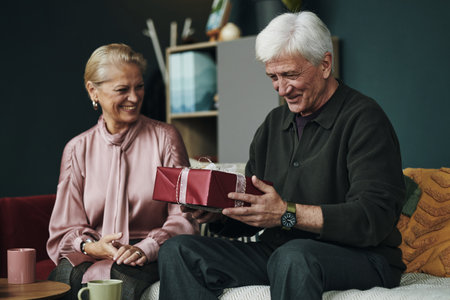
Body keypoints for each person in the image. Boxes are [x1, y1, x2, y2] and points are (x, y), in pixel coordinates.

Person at [157, 11, 406, 300]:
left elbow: (372, 219)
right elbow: (260, 211)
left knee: (293, 256)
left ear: (325, 64)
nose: (281, 88)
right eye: (273, 76)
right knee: (180, 250)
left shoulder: (365, 119)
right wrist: (215, 215)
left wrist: (286, 214)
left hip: (361, 257)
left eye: (290, 74)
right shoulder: (273, 124)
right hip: (280, 252)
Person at [47, 43, 198, 300]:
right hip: (93, 252)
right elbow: (66, 228)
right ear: (93, 91)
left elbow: (183, 217)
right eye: (122, 89)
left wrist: (146, 248)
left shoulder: (165, 138)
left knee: (120, 281)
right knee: (62, 279)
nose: (134, 97)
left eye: (139, 86)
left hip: (149, 253)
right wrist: (91, 246)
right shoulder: (77, 149)